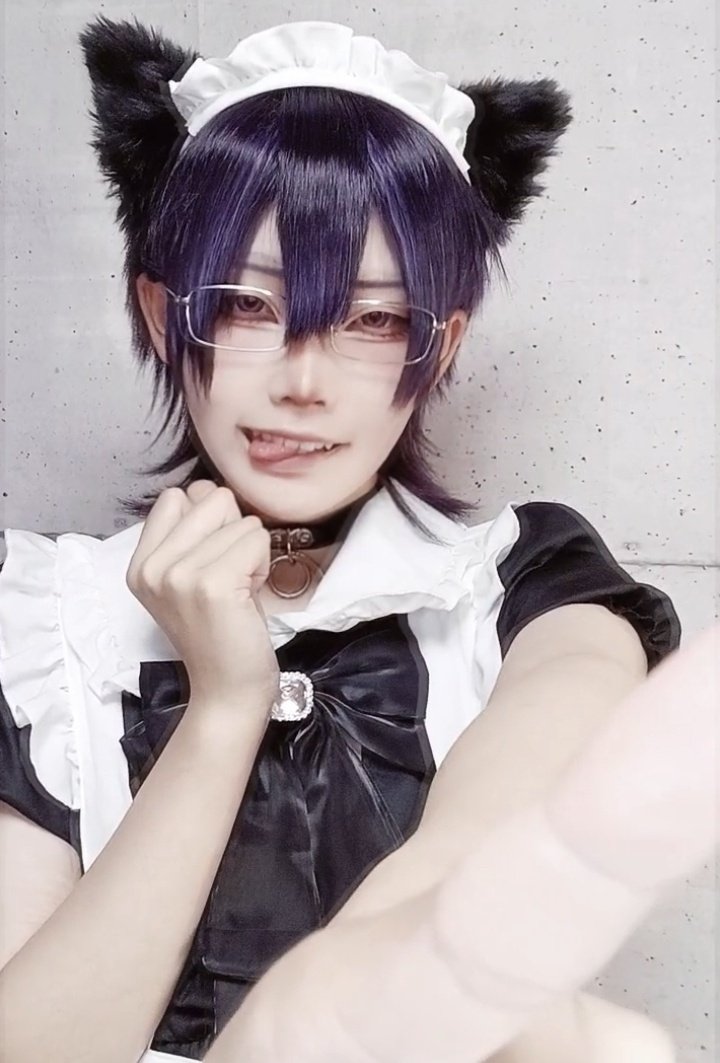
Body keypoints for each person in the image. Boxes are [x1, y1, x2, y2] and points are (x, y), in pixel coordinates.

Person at [0, 15, 712, 1063]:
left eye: (373, 320)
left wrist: (331, 1013)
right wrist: (223, 705)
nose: (304, 380)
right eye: (246, 305)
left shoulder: (531, 589)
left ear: (442, 345)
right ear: (160, 315)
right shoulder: (45, 616)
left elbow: (452, 904)